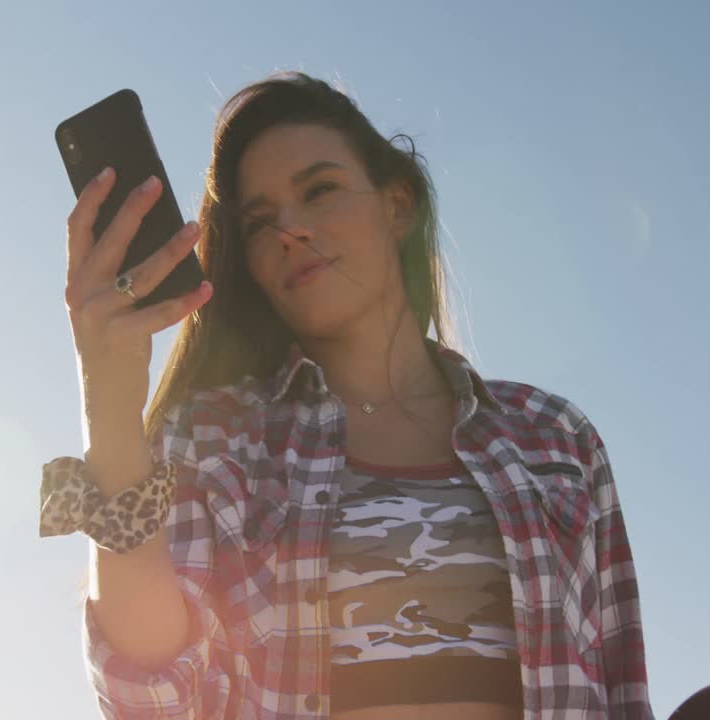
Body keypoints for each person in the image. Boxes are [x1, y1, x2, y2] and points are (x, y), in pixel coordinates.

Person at [41, 72, 654, 720]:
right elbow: (156, 699)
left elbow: (624, 696)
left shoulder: (554, 438)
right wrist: (109, 403)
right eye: (259, 222)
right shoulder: (218, 436)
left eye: (320, 190)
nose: (289, 229)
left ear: (397, 206)